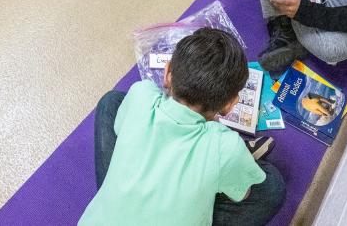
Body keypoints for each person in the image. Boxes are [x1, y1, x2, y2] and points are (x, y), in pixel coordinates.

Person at [81, 28, 286, 226]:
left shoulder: (141, 93)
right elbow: (245, 194)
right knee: (271, 186)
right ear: (229, 105)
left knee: (112, 101)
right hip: (222, 152)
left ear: (168, 72)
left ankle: (123, 196)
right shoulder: (225, 145)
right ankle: (229, 169)